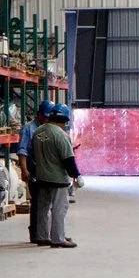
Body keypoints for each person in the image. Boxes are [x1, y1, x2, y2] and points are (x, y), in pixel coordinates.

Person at [29, 101, 79, 248]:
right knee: (59, 209)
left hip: (41, 177)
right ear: (64, 119)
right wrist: (76, 175)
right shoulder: (61, 136)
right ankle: (58, 238)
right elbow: (68, 160)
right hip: (57, 179)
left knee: (43, 208)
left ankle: (42, 236)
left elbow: (32, 154)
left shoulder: (38, 131)